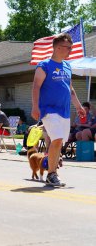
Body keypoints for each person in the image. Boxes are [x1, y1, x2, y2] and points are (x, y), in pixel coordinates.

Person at [31, 33, 85, 187]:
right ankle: (52, 173)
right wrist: (35, 106)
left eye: (71, 48)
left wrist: (78, 105)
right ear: (57, 47)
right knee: (56, 139)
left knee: (59, 141)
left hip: (64, 111)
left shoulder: (67, 66)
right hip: (49, 109)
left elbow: (70, 89)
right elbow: (36, 86)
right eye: (68, 48)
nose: (70, 51)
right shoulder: (44, 65)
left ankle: (52, 172)